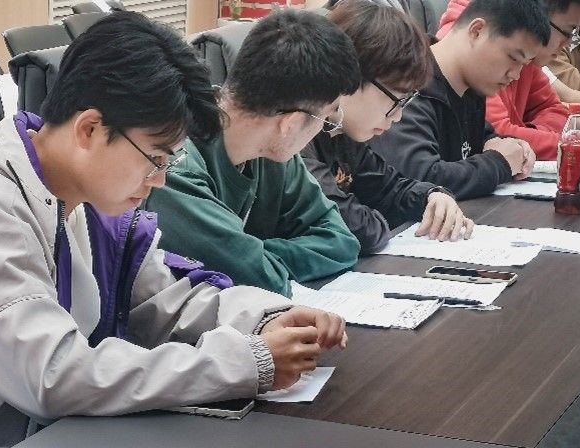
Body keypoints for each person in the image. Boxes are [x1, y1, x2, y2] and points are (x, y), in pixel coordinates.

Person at [0, 12, 347, 447]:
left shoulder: (80, 197)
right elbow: (54, 376)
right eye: (154, 159)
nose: (159, 180)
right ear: (89, 130)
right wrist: (244, 362)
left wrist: (265, 318)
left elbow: (163, 300)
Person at [143, 9, 362, 296]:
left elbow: (341, 242)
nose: (324, 126)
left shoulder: (272, 152)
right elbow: (262, 279)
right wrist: (255, 260)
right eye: (325, 117)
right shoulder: (171, 162)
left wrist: (256, 253)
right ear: (290, 123)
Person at [301, 0, 475, 255]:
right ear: (351, 77)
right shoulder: (298, 137)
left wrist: (432, 196)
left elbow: (388, 189)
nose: (398, 116)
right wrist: (376, 220)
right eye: (396, 99)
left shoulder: (341, 133)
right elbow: (356, 228)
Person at [369, 0, 546, 199]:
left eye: (524, 64)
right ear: (477, 31)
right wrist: (500, 163)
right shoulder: (408, 85)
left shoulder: (469, 86)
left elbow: (483, 140)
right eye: (513, 58)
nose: (516, 75)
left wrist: (511, 147)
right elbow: (419, 180)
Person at [436, 0, 580, 160]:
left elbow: (556, 110)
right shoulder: (474, 50)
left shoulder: (525, 55)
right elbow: (498, 133)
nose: (568, 43)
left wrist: (528, 137)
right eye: (567, 32)